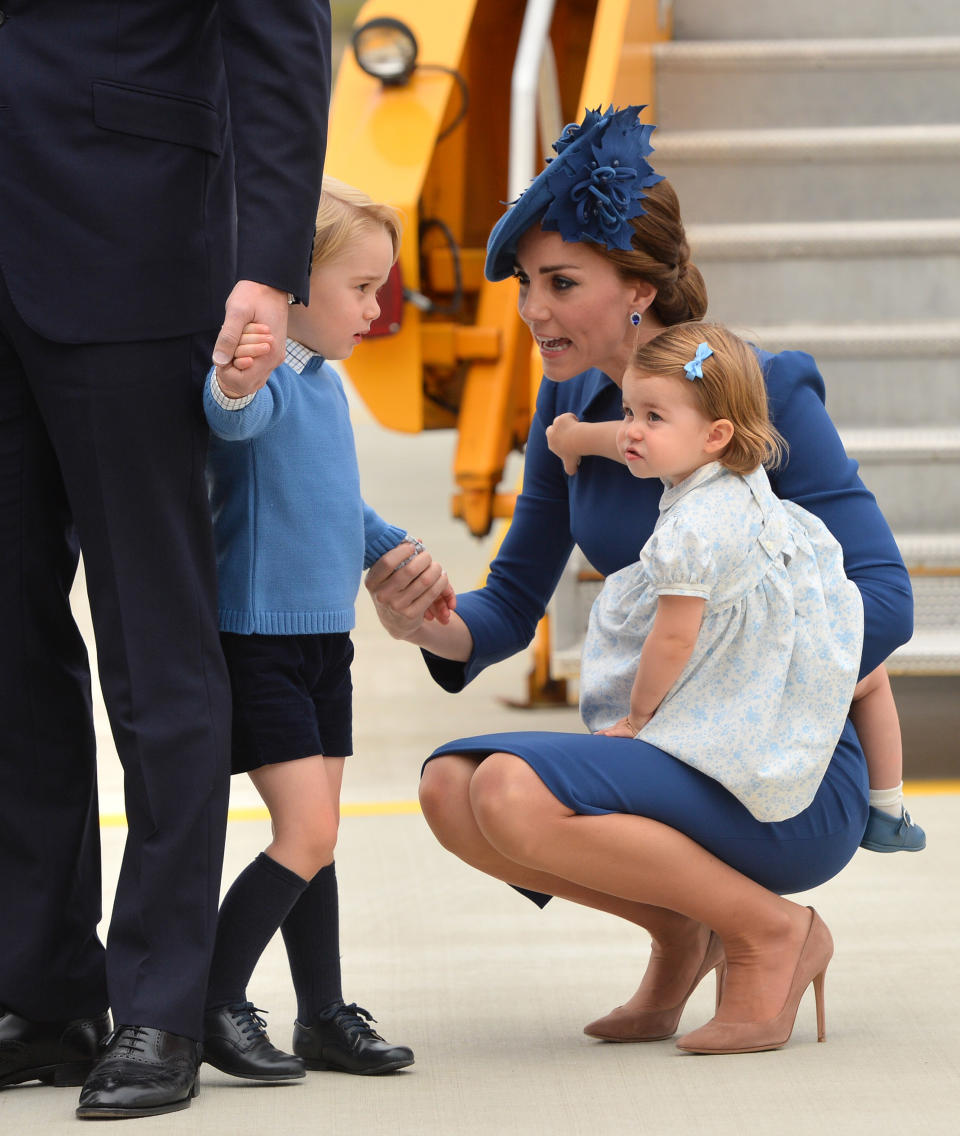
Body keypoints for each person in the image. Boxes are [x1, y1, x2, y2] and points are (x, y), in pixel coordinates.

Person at [363, 106, 914, 1054]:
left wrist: (740, 682)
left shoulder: (756, 392)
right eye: (529, 284)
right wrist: (431, 625)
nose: (532, 310)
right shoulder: (566, 405)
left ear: (638, 289)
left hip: (777, 766)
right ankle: (679, 931)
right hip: (666, 748)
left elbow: (887, 596)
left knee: (510, 791)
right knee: (454, 788)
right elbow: (508, 603)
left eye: (560, 283)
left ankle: (773, 933)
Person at [0, 1, 330, 1119]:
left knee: (154, 638)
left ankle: (162, 998)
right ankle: (42, 987)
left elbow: (281, 32)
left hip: (127, 239)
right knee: (8, 642)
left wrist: (271, 262)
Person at [201, 177, 455, 1082]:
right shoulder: (270, 380)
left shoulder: (325, 388)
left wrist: (394, 547)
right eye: (362, 287)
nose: (377, 307)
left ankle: (322, 1013)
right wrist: (237, 375)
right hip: (263, 640)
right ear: (293, 289)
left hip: (322, 642)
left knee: (321, 836)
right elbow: (231, 420)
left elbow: (332, 503)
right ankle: (212, 1001)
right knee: (304, 834)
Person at [548, 350, 926, 855]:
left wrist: (639, 717)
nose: (632, 430)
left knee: (711, 701)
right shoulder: (737, 466)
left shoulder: (689, 531)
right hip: (792, 605)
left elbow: (676, 636)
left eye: (652, 417)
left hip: (740, 639)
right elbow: (627, 444)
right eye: (628, 411)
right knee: (869, 677)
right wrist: (573, 438)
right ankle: (888, 808)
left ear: (715, 435)